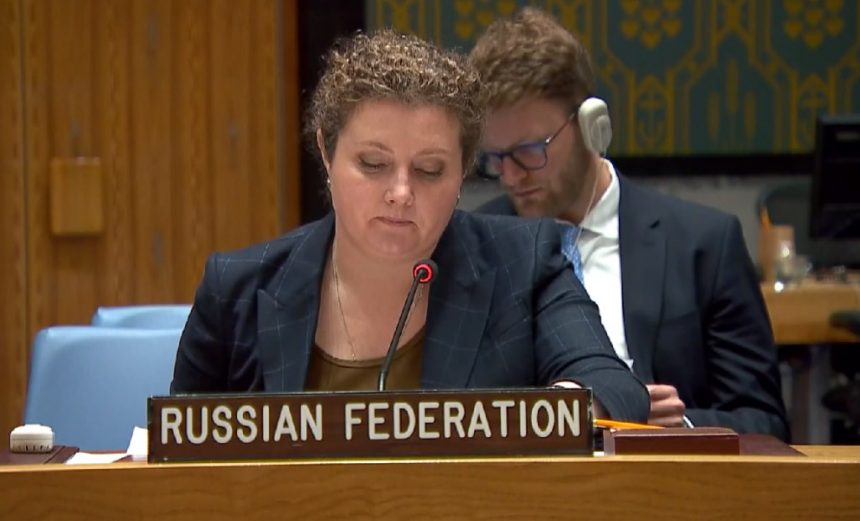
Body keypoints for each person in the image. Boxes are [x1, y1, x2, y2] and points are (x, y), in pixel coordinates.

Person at [171, 30, 649, 422]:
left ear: (462, 174)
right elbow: (173, 455)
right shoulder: (236, 289)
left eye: (429, 170)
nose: (401, 192)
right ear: (326, 153)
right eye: (373, 164)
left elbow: (612, 386)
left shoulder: (523, 264)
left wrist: (540, 417)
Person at [470, 8, 788, 438]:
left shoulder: (704, 244)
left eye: (530, 151)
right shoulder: (477, 244)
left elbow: (765, 423)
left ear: (591, 125)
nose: (511, 176)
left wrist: (678, 427)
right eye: (495, 158)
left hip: (667, 474)